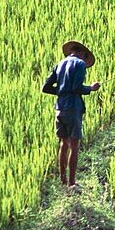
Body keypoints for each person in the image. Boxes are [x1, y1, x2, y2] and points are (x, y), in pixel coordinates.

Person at [42, 40, 101, 189]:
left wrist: (62, 90)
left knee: (63, 143)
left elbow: (46, 87)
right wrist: (91, 88)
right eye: (85, 56)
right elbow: (76, 87)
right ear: (82, 53)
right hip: (73, 108)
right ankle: (72, 183)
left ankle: (62, 180)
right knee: (74, 145)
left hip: (60, 108)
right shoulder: (80, 64)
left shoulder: (60, 64)